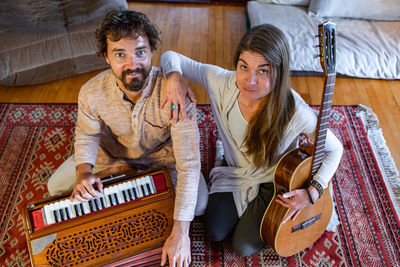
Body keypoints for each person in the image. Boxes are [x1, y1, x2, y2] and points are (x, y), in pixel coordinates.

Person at [160, 24, 343, 256]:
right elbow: (170, 56)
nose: (250, 80)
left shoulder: (296, 110)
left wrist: (312, 192)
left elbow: (335, 149)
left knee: (242, 246)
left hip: (275, 180)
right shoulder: (222, 82)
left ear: (279, 72)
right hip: (236, 172)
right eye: (244, 67)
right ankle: (222, 161)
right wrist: (174, 78)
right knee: (214, 231)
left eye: (263, 71)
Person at [46, 9, 208, 267]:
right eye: (120, 54)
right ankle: (122, 174)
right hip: (112, 157)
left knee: (198, 205)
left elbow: (188, 163)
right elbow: (87, 134)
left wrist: (180, 232)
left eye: (140, 52)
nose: (132, 64)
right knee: (56, 188)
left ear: (152, 51)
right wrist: (83, 172)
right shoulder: (91, 92)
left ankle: (129, 181)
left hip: (163, 160)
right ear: (106, 57)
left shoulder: (175, 93)